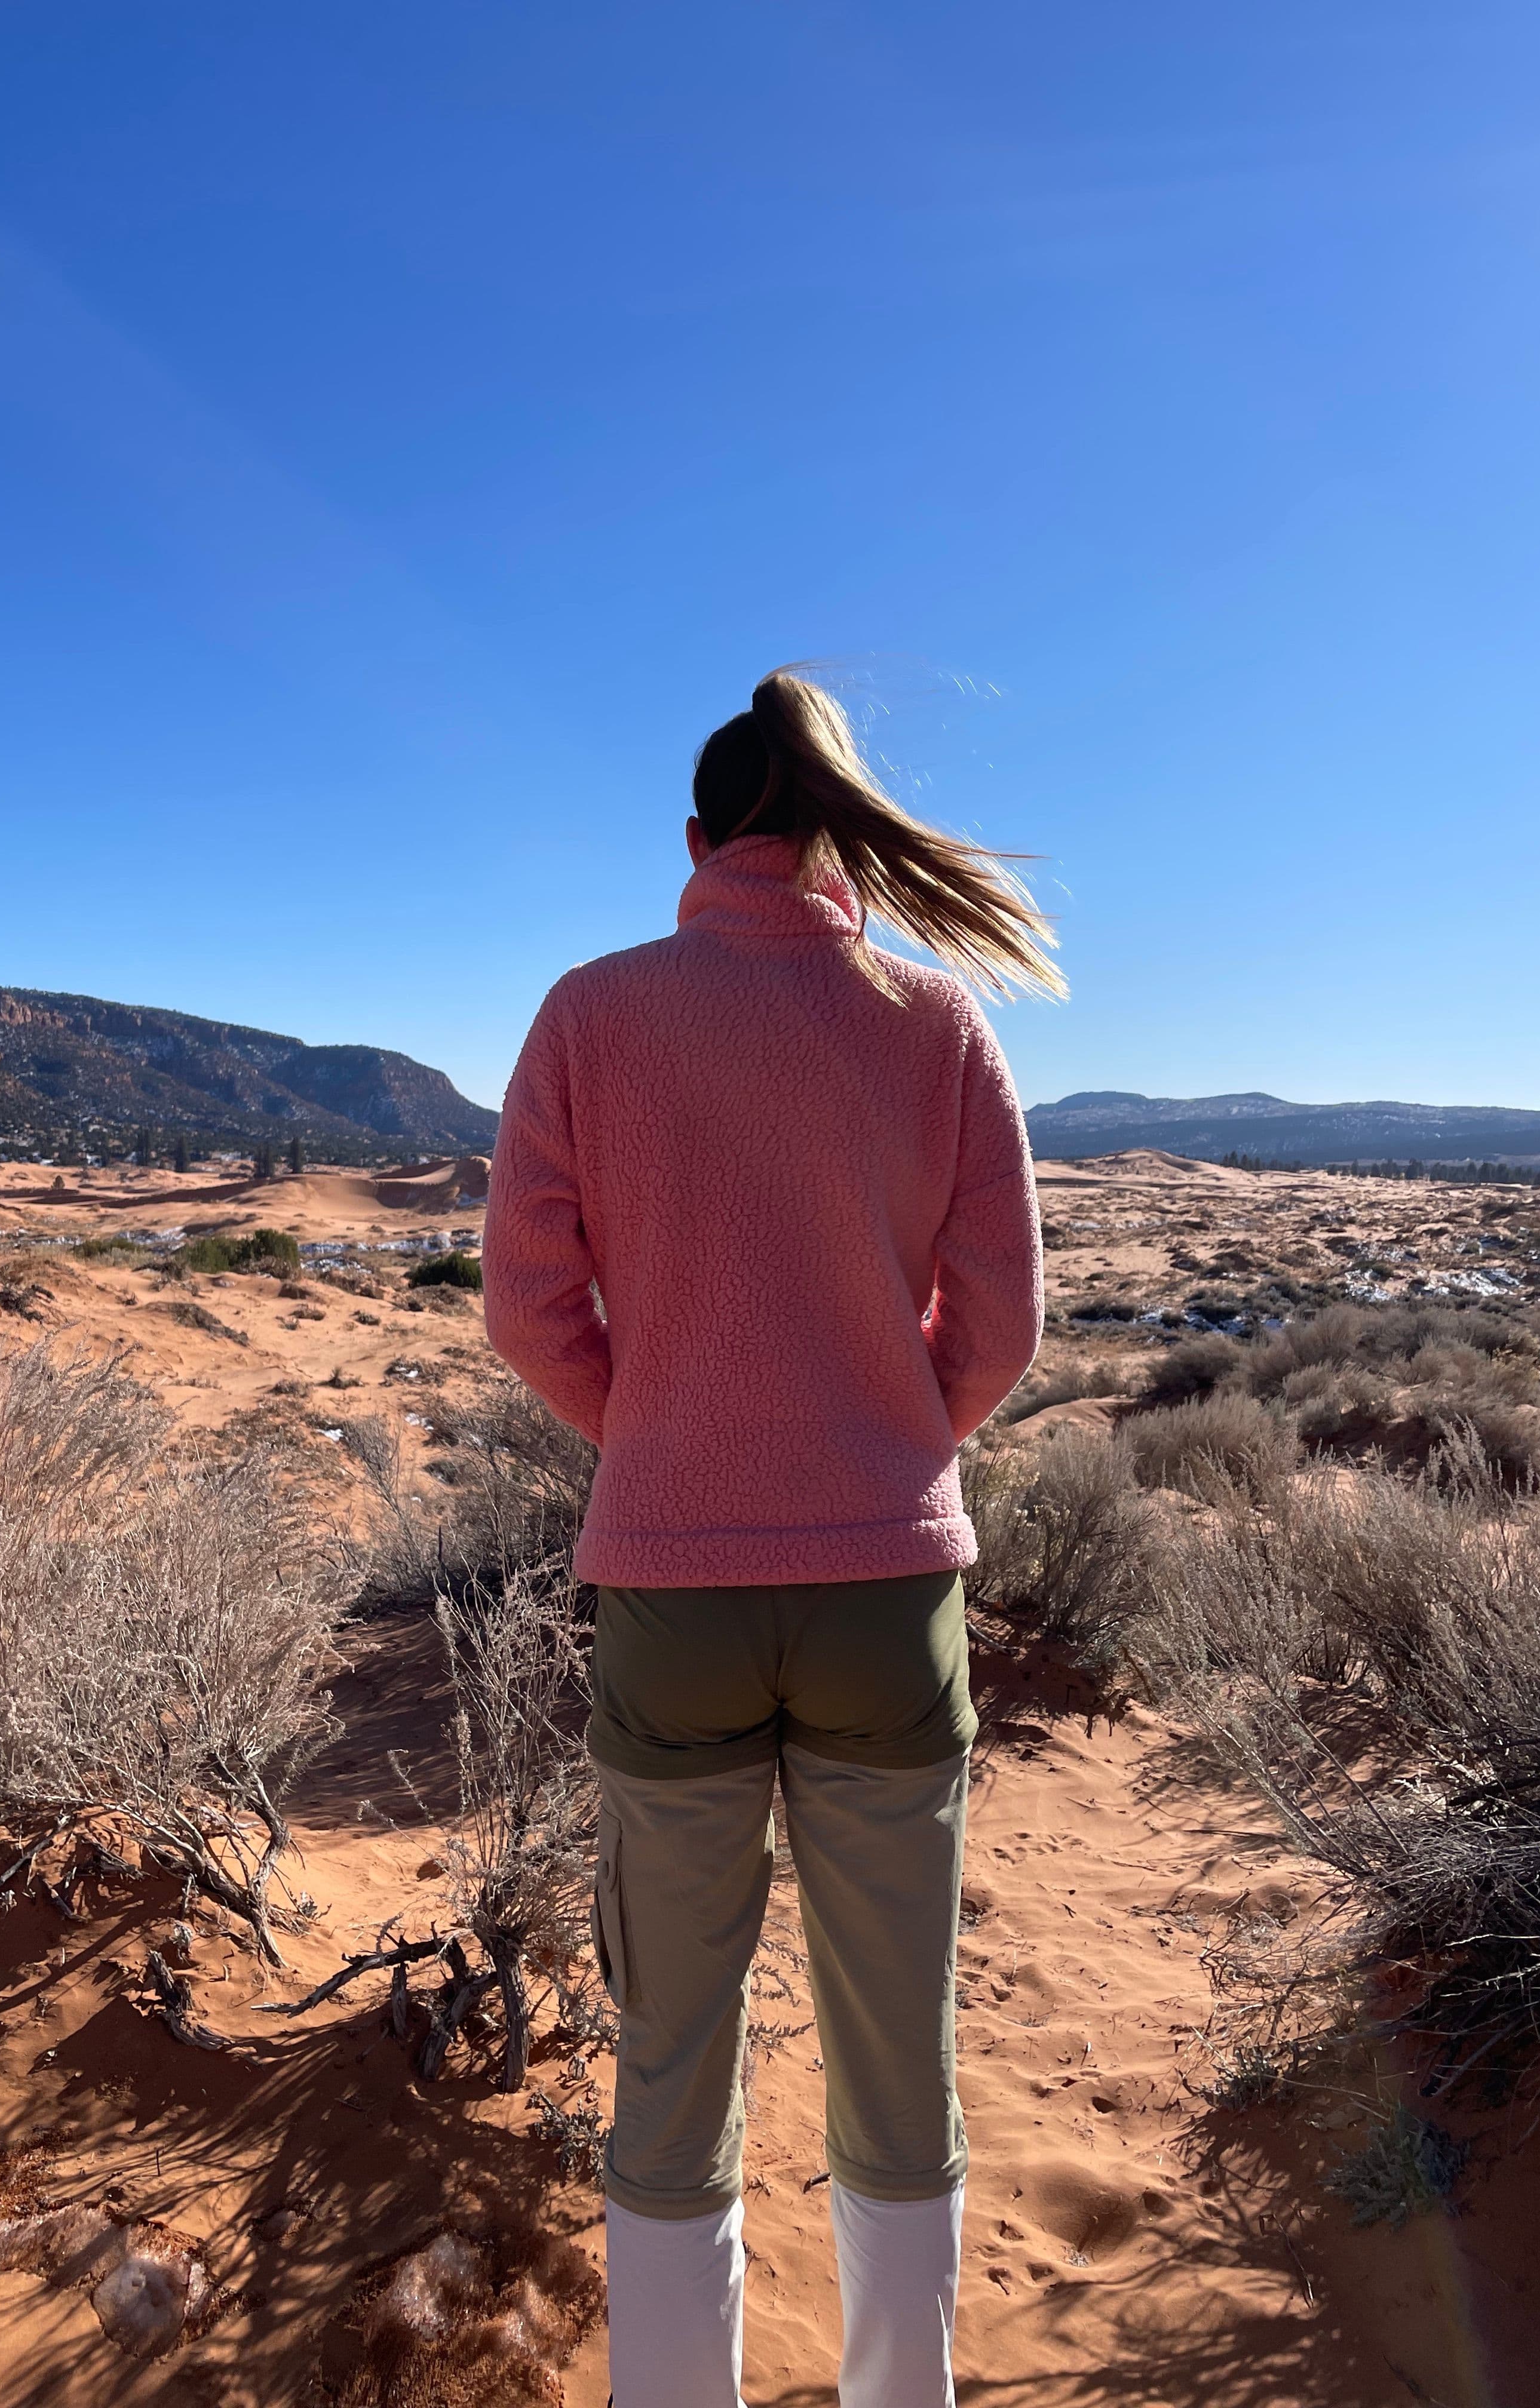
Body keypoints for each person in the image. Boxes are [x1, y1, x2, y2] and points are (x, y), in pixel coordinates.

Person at [481, 669, 1062, 2407]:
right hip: (892, 1602)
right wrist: (887, 1452)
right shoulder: (937, 1020)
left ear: (696, 843)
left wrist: (662, 1446)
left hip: (673, 1605)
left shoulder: (590, 1015)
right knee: (902, 2054)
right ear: (838, 840)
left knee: (672, 2057)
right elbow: (1005, 1325)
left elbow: (527, 1311)